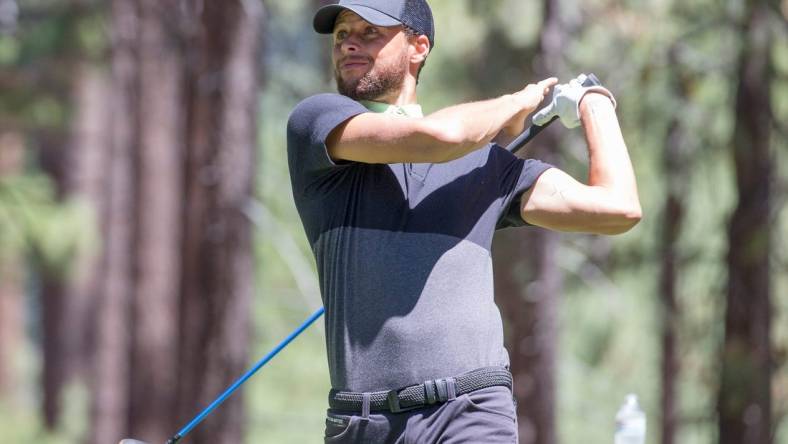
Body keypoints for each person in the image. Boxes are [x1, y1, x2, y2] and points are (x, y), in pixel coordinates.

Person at [286, 0, 642, 442]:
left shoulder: (488, 166)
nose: (349, 43)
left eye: (369, 31)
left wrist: (595, 103)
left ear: (418, 47)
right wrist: (516, 103)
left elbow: (618, 208)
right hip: (362, 422)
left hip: (472, 412)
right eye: (341, 34)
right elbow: (441, 137)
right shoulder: (318, 123)